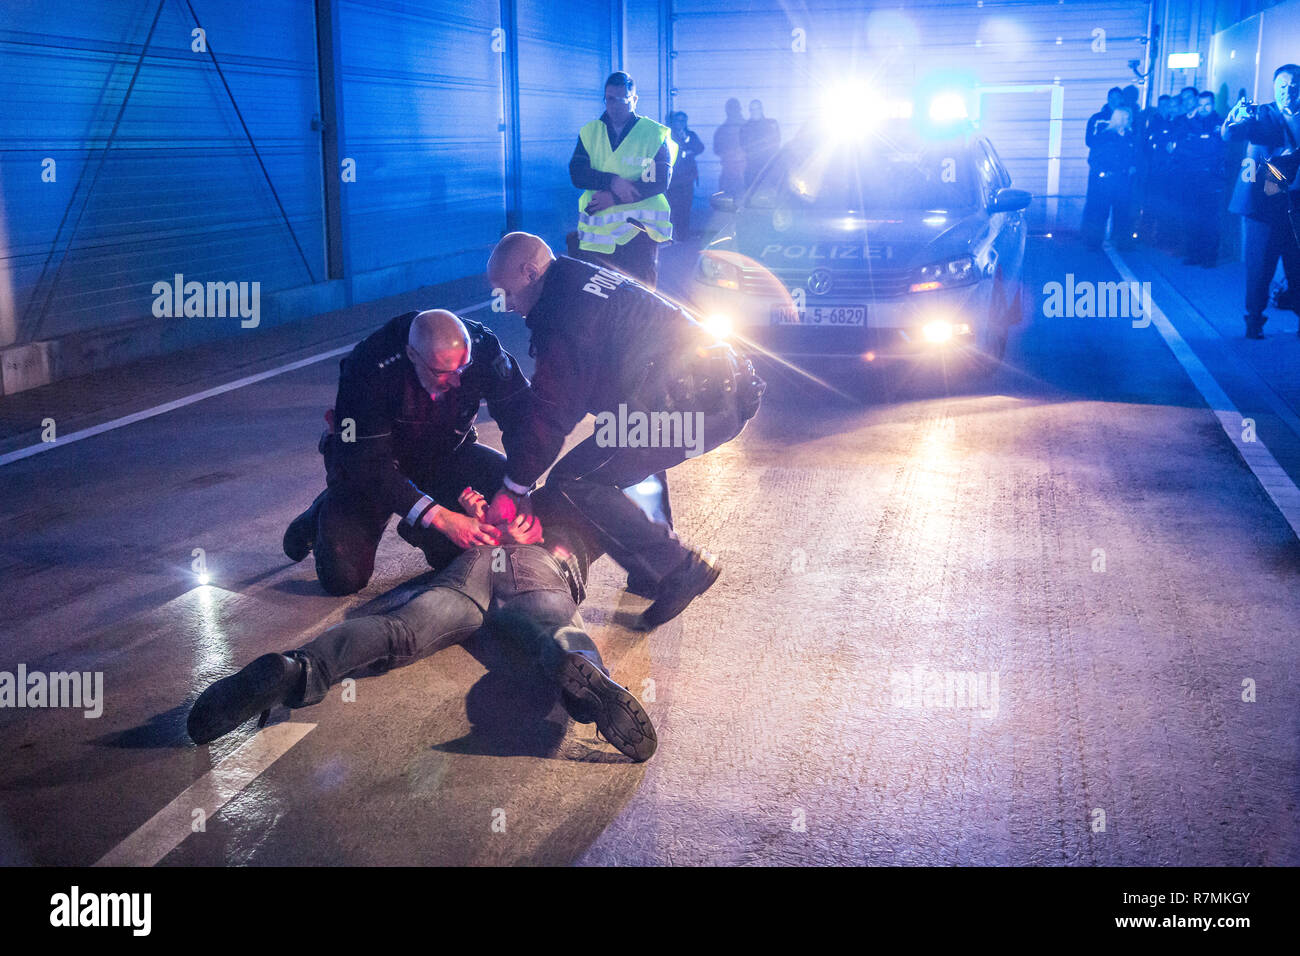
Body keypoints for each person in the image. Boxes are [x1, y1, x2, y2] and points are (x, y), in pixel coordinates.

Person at [189, 487, 659, 762]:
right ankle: (579, 670)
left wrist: (479, 519)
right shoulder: (575, 518)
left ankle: (298, 668)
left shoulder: (545, 506)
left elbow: (422, 525)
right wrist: (491, 518)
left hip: (471, 570)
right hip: (535, 572)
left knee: (403, 630)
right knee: (555, 625)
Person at [484, 232, 765, 630]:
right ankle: (653, 570)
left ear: (530, 273)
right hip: (719, 393)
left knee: (572, 480)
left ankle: (680, 568)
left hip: (696, 405)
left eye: (507, 293)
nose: (507, 306)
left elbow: (553, 413)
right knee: (624, 455)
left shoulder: (564, 314)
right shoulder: (575, 277)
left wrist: (514, 487)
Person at [281, 309, 529, 595]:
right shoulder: (367, 367)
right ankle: (323, 510)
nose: (456, 381)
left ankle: (422, 530)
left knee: (498, 497)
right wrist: (442, 518)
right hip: (376, 469)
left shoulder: (483, 348)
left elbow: (522, 418)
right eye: (443, 372)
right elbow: (365, 462)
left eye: (463, 369)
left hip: (444, 455)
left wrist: (517, 489)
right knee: (343, 579)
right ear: (413, 355)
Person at [568, 71, 677, 289]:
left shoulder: (653, 133)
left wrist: (614, 198)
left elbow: (660, 180)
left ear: (634, 100)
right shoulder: (590, 132)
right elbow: (577, 173)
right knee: (599, 304)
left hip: (639, 235)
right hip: (598, 240)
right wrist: (612, 181)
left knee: (640, 302)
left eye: (622, 99)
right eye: (610, 98)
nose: (615, 105)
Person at [1222, 64, 1300, 338]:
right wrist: (1234, 120)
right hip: (1264, 204)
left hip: (1297, 202)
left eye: (1293, 86)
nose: (1287, 92)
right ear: (1274, 88)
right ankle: (1254, 321)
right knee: (1260, 266)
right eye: (1281, 86)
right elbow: (1232, 134)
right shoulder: (1262, 115)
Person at [1176, 91, 1226, 266]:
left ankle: (1209, 256)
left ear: (1213, 104)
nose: (1204, 108)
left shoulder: (1220, 123)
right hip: (1191, 178)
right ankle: (1194, 254)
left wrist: (1200, 147)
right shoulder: (1188, 122)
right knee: (1192, 217)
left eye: (1208, 104)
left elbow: (1219, 150)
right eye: (1201, 104)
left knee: (1210, 219)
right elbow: (1181, 147)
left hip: (1211, 179)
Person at [1081, 105, 1138, 250]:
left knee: (1122, 212)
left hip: (1123, 180)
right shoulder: (1104, 136)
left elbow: (1134, 156)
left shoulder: (1130, 137)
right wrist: (1101, 172)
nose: (1129, 120)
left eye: (1129, 117)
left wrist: (1132, 166)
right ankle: (1093, 242)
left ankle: (1123, 242)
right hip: (1106, 181)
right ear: (1118, 119)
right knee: (1100, 212)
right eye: (1126, 118)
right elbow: (1093, 158)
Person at [1138, 94, 1178, 245]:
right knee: (1150, 203)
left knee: (1166, 204)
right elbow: (1145, 145)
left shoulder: (1174, 123)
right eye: (1161, 105)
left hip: (1168, 171)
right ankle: (1145, 235)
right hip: (1153, 170)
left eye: (1167, 105)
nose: (1164, 108)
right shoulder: (1152, 122)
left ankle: (1163, 237)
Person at [666, 111, 705, 239]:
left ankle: (684, 234)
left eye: (683, 120)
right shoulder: (668, 135)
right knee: (673, 207)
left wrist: (688, 143)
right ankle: (673, 234)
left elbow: (700, 148)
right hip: (674, 179)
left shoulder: (690, 135)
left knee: (686, 206)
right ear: (673, 122)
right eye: (678, 120)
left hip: (687, 178)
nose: (680, 123)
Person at [740, 99, 781, 187]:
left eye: (757, 109)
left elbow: (776, 142)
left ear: (761, 109)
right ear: (749, 111)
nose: (755, 112)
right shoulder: (745, 128)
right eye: (752, 110)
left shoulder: (772, 124)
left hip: (769, 168)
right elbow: (744, 147)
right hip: (752, 170)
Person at [713, 98, 746, 195]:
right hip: (729, 170)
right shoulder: (722, 129)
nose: (732, 111)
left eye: (734, 109)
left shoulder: (747, 126)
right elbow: (717, 149)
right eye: (731, 109)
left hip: (744, 170)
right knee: (726, 197)